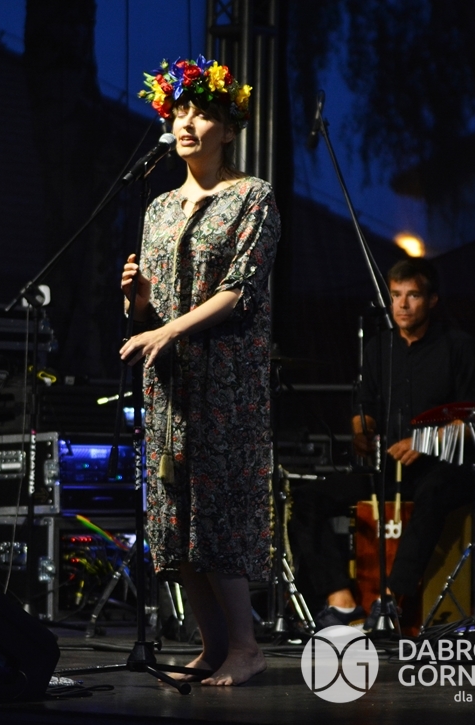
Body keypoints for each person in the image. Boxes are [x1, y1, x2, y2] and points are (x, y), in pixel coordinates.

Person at [120, 56, 279, 686]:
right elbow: (150, 308)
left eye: (203, 113)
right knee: (175, 510)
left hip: (225, 380)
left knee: (218, 505)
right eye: (180, 111)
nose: (187, 123)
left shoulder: (252, 197)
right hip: (169, 382)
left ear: (229, 129)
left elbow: (239, 290)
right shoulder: (159, 207)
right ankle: (212, 646)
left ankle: (246, 645)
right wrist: (137, 304)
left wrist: (168, 328)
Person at [295, 258, 475, 630]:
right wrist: (362, 432)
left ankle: (390, 600)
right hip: (389, 468)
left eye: (412, 295)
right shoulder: (379, 347)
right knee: (307, 498)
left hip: (444, 468)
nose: (402, 304)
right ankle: (341, 601)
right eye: (396, 295)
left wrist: (426, 441)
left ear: (431, 300)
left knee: (432, 493)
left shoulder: (457, 346)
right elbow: (364, 407)